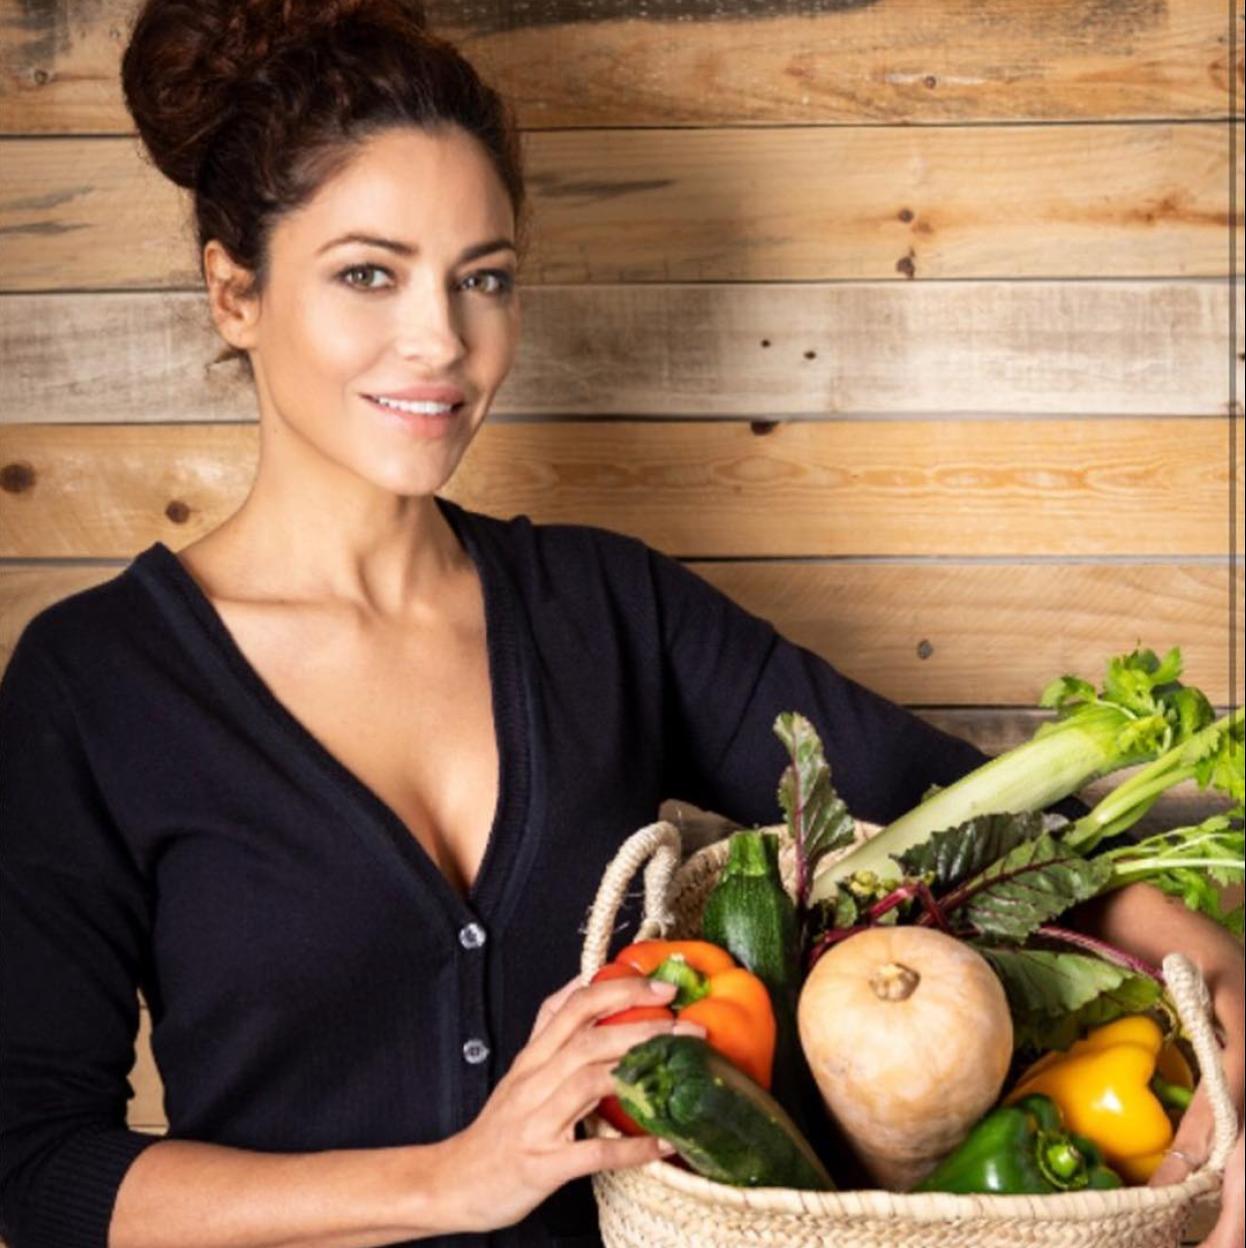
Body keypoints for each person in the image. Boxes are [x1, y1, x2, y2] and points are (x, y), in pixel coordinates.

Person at [0, 2, 1241, 1246]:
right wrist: (452, 1180)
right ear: (234, 291)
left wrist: (1208, 970)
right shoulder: (96, 684)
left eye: (481, 278)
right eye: (367, 273)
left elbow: (959, 819)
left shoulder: (605, 609)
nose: (440, 341)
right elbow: (36, 1169)